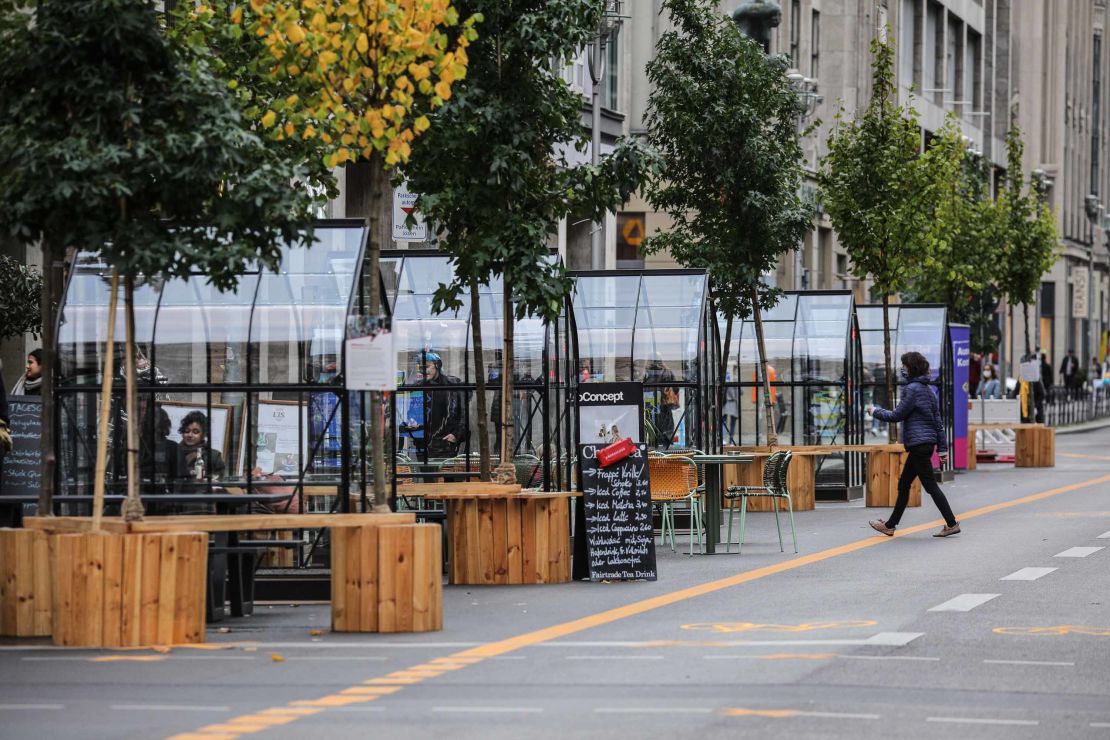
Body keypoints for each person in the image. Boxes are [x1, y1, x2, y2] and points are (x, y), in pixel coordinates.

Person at [867, 351, 961, 538]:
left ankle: (951, 523)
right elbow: (938, 422)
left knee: (930, 485)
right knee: (904, 484)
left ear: (911, 368)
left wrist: (875, 411)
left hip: (918, 444)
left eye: (904, 366)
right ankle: (890, 525)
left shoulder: (913, 389)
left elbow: (897, 415)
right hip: (926, 444)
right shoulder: (928, 390)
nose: (902, 369)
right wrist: (942, 449)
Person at [405, 351, 467, 459]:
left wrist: (456, 435)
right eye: (421, 367)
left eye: (427, 366)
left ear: (437, 365)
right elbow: (412, 411)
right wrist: (412, 420)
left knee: (446, 474)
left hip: (445, 443)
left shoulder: (452, 385)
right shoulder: (417, 387)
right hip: (423, 443)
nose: (424, 370)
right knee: (427, 475)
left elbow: (462, 414)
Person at [175, 411, 225, 490]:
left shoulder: (214, 456)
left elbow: (219, 482)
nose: (190, 435)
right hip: (176, 499)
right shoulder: (173, 453)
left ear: (203, 434)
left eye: (195, 432)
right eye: (186, 431)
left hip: (202, 499)